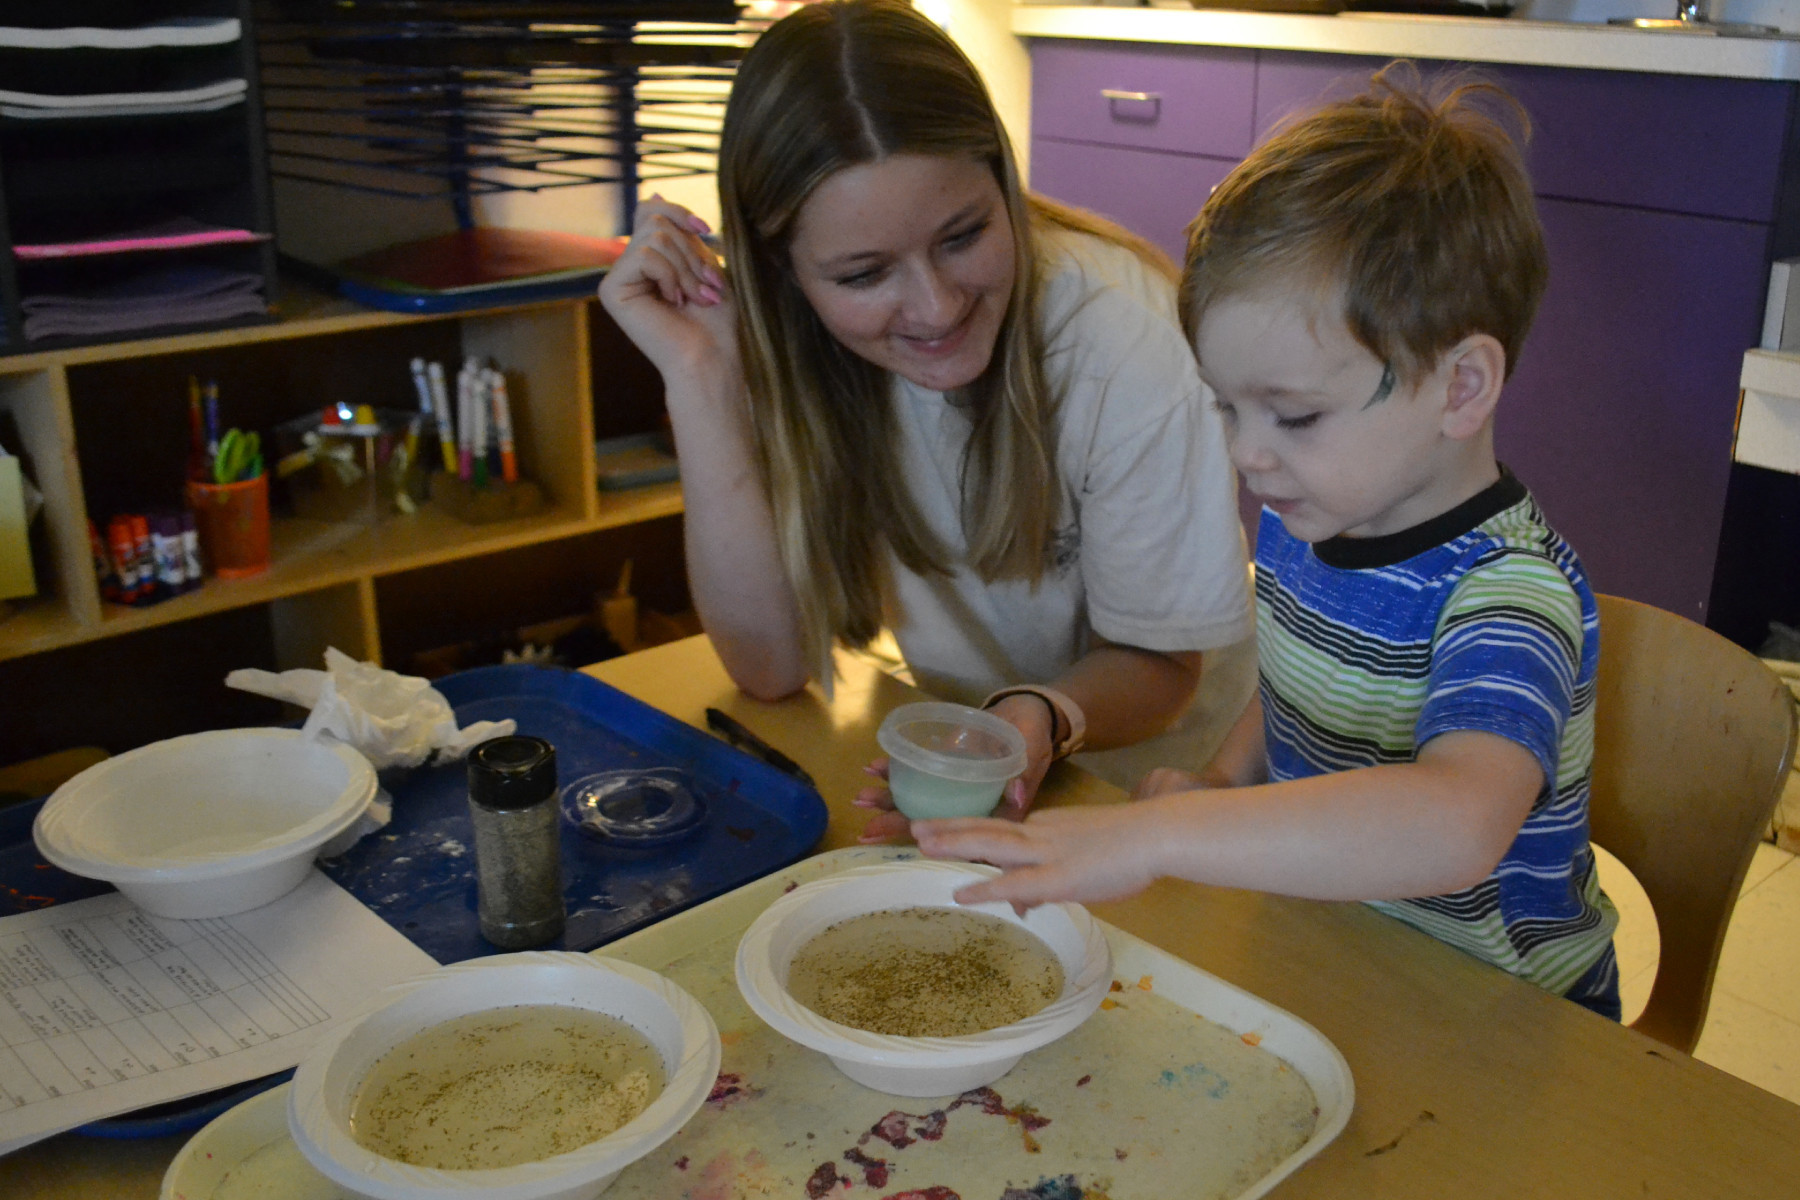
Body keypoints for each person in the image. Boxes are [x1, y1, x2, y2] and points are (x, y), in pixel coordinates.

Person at [915, 67, 1623, 1018]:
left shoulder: (1505, 593)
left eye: (1293, 415)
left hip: (1503, 1014)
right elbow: (1297, 676)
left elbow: (1457, 821)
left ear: (1460, 387)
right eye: (1228, 407)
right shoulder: (1318, 513)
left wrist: (1169, 835)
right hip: (1339, 946)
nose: (1248, 455)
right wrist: (1222, 775)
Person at [598, 0, 1254, 835]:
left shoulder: (1122, 334)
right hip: (982, 756)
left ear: (1001, 182)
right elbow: (768, 667)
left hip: (1163, 785)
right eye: (865, 275)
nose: (936, 307)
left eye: (963, 235)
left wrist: (1037, 715)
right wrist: (700, 377)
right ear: (784, 272)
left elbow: (1164, 670)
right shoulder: (787, 345)